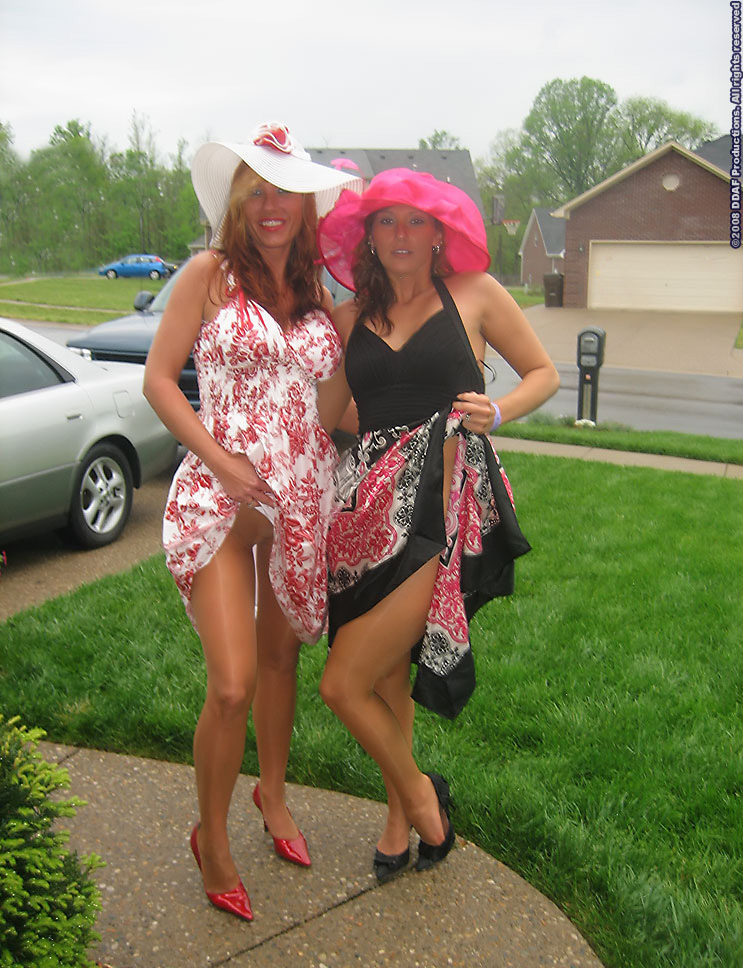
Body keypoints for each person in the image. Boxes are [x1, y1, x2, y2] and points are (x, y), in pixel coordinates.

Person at [142, 123, 362, 921]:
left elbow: (332, 409)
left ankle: (273, 793)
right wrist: (222, 460)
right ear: (237, 201)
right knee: (232, 683)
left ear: (305, 207)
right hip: (222, 503)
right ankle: (212, 836)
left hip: (299, 504)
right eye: (257, 191)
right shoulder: (209, 274)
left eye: (285, 192)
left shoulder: (317, 295)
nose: (272, 205)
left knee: (279, 661)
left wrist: (403, 394)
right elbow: (159, 382)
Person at [315, 168, 560, 880]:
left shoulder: (474, 294)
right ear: (368, 234)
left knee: (342, 684)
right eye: (386, 220)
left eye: (415, 220)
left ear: (438, 234)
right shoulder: (348, 316)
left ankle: (424, 800)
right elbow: (328, 415)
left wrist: (498, 410)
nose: (401, 234)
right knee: (387, 674)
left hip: (440, 507)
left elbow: (542, 372)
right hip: (365, 512)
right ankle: (400, 815)